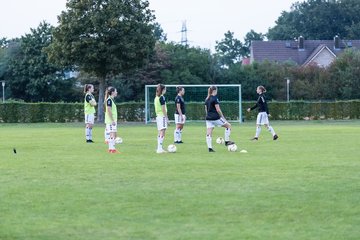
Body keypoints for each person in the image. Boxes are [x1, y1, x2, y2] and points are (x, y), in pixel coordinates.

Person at [205, 85, 235, 152]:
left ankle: (210, 148)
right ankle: (227, 141)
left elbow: (206, 110)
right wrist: (223, 118)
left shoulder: (207, 99)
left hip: (208, 118)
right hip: (215, 118)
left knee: (208, 133)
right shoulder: (215, 98)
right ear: (215, 91)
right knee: (228, 126)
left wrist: (208, 115)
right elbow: (218, 110)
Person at [154, 84, 169, 153]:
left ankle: (159, 148)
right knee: (162, 131)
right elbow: (163, 109)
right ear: (163, 90)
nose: (166, 91)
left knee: (160, 131)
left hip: (158, 116)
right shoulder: (162, 97)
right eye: (165, 89)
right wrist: (166, 118)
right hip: (162, 116)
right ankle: (159, 149)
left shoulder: (156, 97)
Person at [104, 86, 120, 153]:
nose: (117, 92)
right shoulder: (109, 100)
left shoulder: (111, 100)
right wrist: (112, 120)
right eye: (116, 91)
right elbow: (109, 110)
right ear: (112, 92)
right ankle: (112, 149)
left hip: (112, 120)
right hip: (111, 121)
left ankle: (112, 149)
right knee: (112, 134)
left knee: (112, 134)